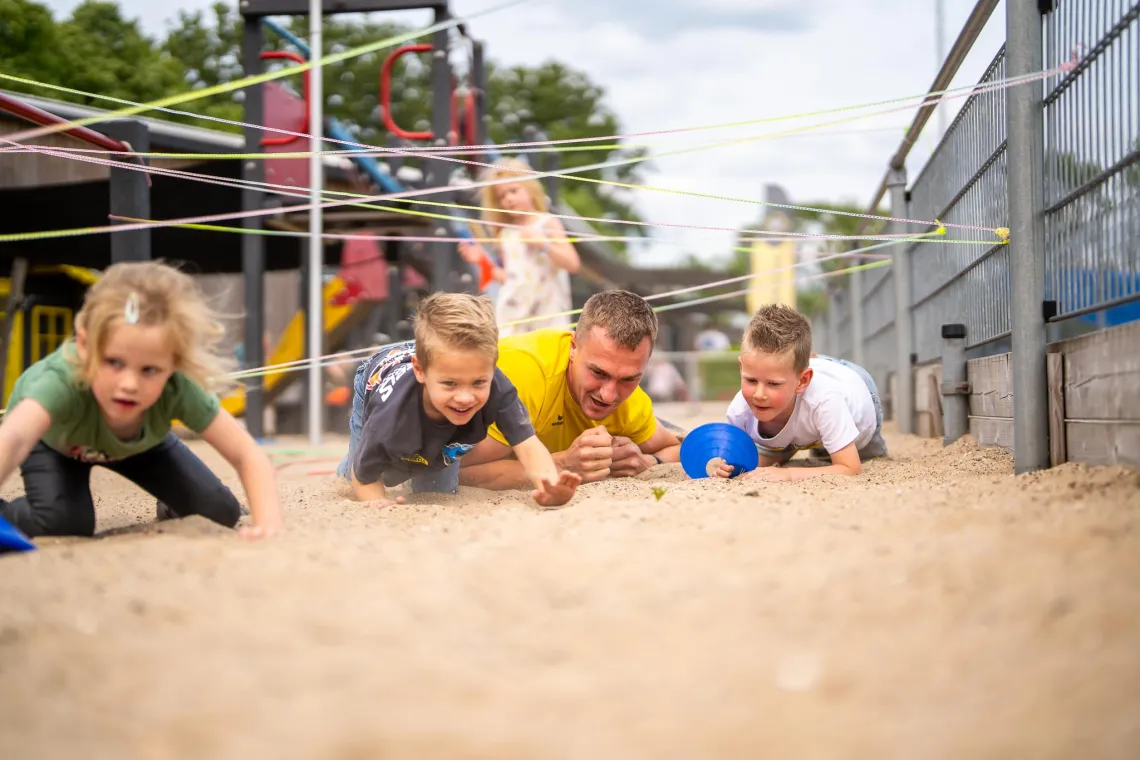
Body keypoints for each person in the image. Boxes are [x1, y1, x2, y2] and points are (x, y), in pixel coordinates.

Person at [0, 261, 284, 540]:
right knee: (62, 521)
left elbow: (247, 453)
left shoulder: (177, 388)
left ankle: (172, 502)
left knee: (218, 511)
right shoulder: (60, 381)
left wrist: (267, 523)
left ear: (173, 365)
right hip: (56, 444)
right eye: (113, 362)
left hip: (139, 442)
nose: (129, 385)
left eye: (149, 370)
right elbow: (12, 440)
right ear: (84, 346)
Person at [336, 292, 581, 509]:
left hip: (439, 406)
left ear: (492, 369)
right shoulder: (389, 416)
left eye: (478, 383)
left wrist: (549, 484)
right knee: (358, 475)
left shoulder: (499, 388)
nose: (465, 397)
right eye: (450, 384)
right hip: (374, 381)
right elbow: (365, 477)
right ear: (420, 371)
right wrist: (378, 503)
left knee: (436, 493)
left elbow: (527, 445)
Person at [459, 290, 682, 489]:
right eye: (598, 373)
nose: (609, 395)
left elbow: (678, 448)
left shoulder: (631, 404)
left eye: (629, 379)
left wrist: (649, 461)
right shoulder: (525, 378)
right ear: (573, 347)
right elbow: (454, 471)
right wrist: (563, 464)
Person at [714, 303, 887, 481]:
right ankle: (805, 366)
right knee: (771, 451)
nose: (759, 394)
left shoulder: (825, 401)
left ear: (802, 381)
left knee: (863, 453)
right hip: (800, 380)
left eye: (773, 384)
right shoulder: (739, 411)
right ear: (741, 367)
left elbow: (850, 468)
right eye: (751, 380)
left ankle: (811, 365)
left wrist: (788, 473)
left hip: (853, 384)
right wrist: (726, 469)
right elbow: (738, 461)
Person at [457, 157, 581, 337]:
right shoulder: (506, 234)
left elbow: (573, 263)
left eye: (513, 191)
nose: (508, 199)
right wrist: (481, 260)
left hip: (547, 314)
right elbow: (510, 277)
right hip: (513, 315)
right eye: (501, 196)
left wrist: (544, 244)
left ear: (530, 189)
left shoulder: (546, 223)